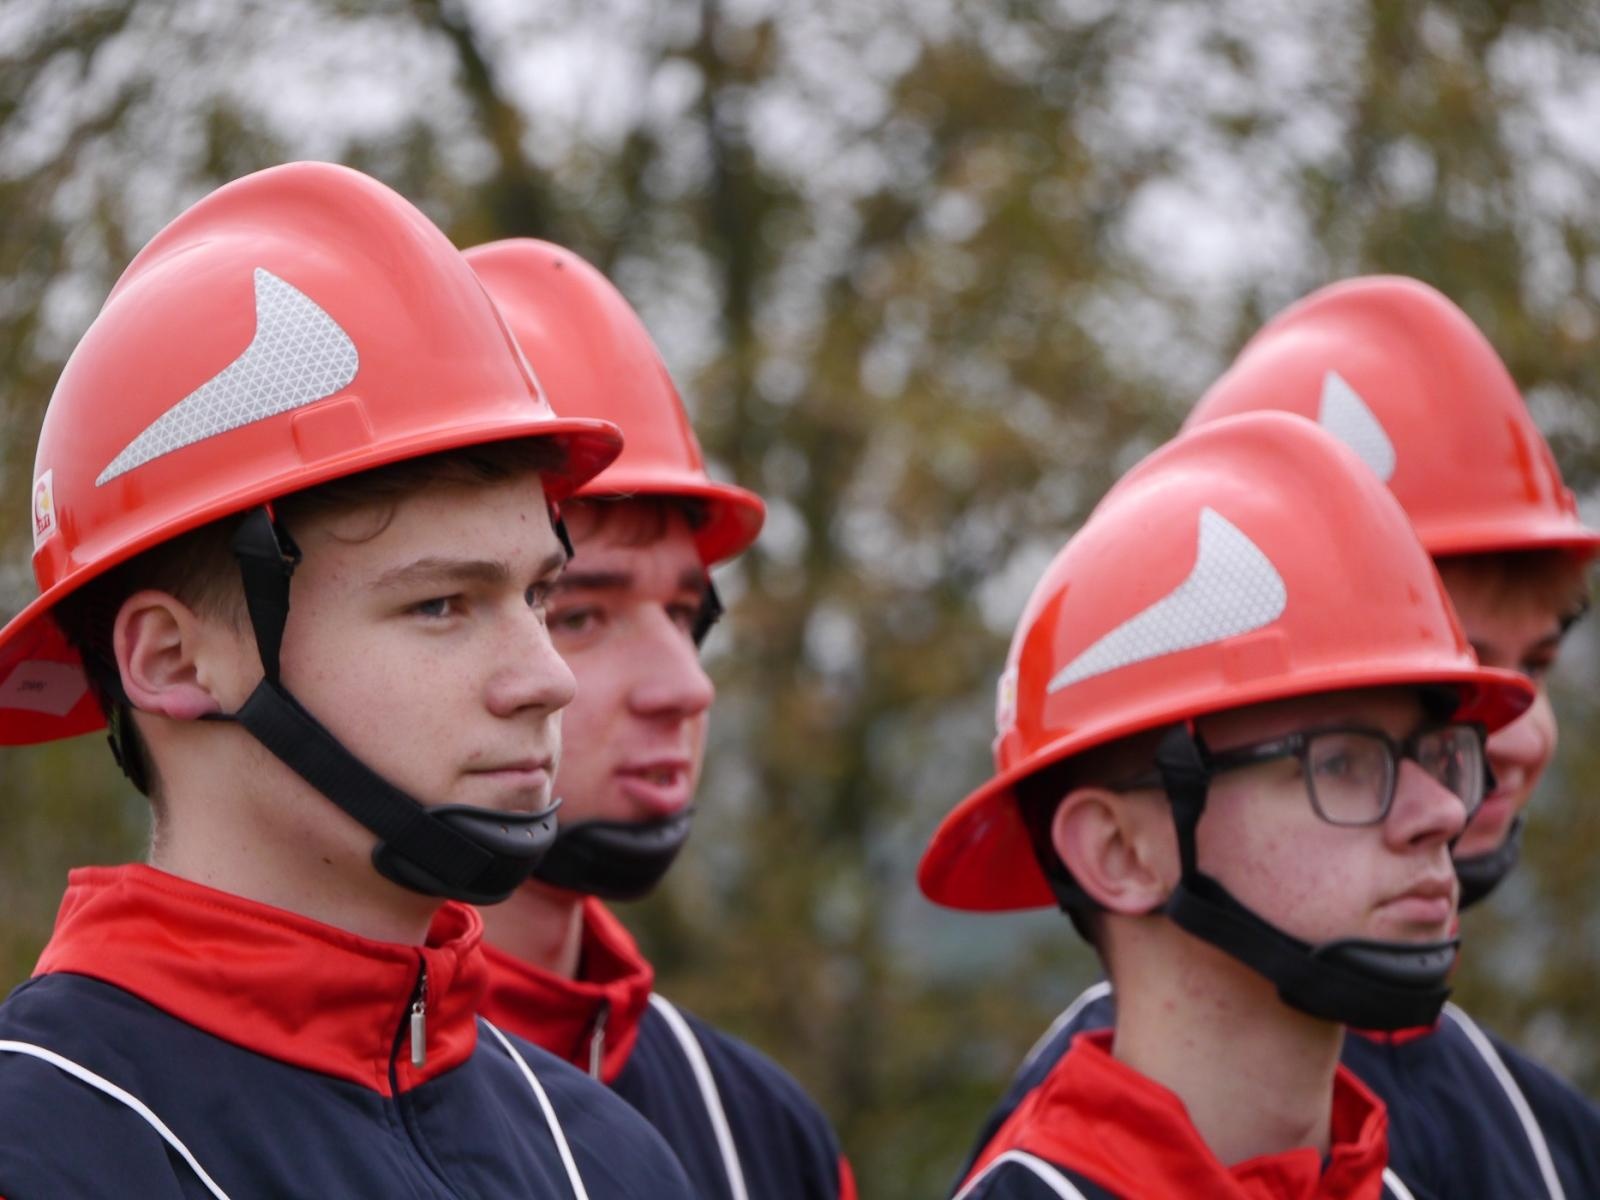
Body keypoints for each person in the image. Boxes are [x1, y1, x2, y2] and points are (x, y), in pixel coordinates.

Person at [0, 163, 695, 1199]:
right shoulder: (43, 1148)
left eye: (541, 598)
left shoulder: (606, 1159)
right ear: (174, 661)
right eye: (441, 606)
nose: (546, 679)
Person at [961, 277, 1600, 1199]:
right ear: (1116, 848)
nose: (1443, 806)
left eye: (1441, 736)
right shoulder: (1053, 1164)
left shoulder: (1529, 1136)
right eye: (1340, 760)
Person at [465, 237, 857, 1200]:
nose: (686, 686)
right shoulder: (235, 1115)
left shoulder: (762, 1132)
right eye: (582, 613)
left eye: (685, 614)